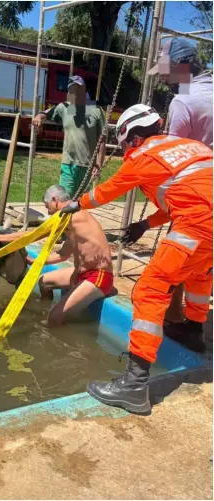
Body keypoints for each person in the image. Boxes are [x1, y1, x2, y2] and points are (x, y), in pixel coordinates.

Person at [61, 103, 212, 414]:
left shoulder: (143, 157)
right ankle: (193, 332)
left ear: (132, 137)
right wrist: (145, 224)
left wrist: (77, 204)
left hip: (198, 223)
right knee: (199, 276)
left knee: (149, 289)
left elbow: (106, 192)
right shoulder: (192, 146)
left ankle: (134, 385)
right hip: (205, 222)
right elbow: (186, 195)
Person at [146, 37, 213, 329]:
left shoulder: (184, 100)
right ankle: (194, 325)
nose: (161, 75)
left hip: (195, 195)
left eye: (164, 69)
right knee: (204, 264)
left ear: (180, 66)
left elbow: (174, 157)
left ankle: (173, 319)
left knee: (175, 260)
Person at [0, 185, 114, 326]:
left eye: (47, 206)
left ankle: (54, 324)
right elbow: (62, 255)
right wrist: (35, 260)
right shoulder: (71, 225)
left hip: (99, 276)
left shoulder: (73, 215)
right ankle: (44, 310)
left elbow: (35, 235)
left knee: (54, 318)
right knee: (44, 282)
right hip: (80, 273)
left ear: (55, 200)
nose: (47, 211)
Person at [33, 75, 107, 198]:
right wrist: (39, 117)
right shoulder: (65, 108)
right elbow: (47, 113)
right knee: (64, 199)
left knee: (81, 203)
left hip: (88, 166)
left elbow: (102, 139)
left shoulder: (95, 110)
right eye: (72, 90)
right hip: (68, 164)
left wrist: (98, 164)